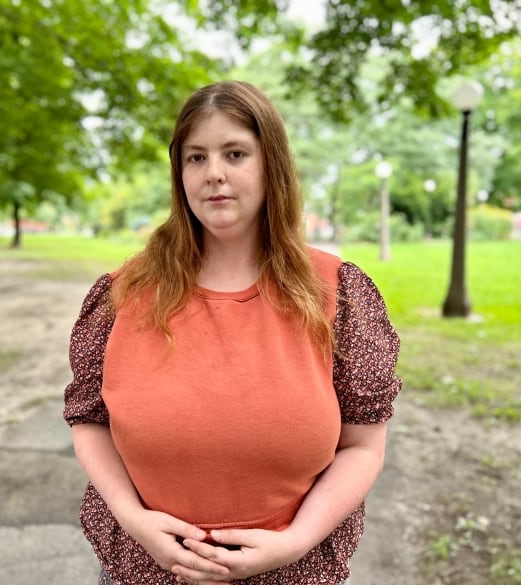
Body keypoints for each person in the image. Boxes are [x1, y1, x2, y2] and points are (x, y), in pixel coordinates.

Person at [64, 80, 401, 585]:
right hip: (146, 570)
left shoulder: (339, 294)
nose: (214, 174)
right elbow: (89, 420)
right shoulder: (122, 295)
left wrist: (295, 540)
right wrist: (134, 522)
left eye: (235, 153)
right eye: (196, 158)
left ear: (272, 166)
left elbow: (363, 446)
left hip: (292, 571)